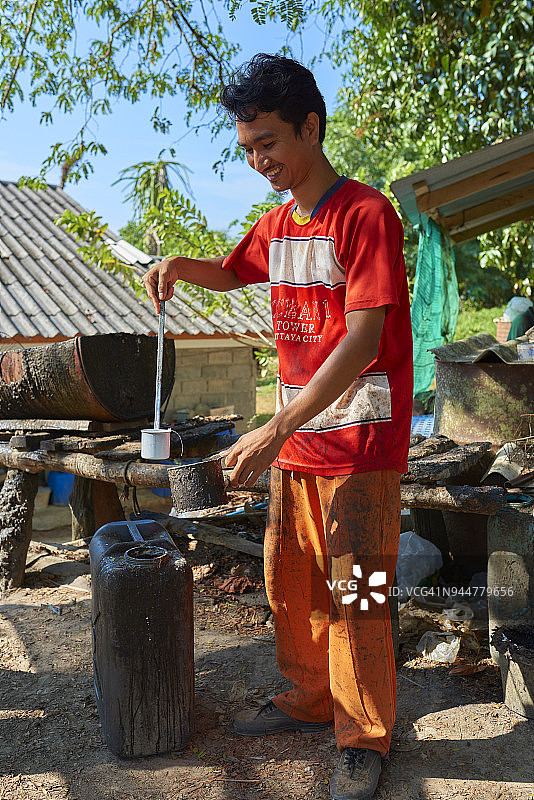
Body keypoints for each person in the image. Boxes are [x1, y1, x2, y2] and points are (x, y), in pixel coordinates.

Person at [143, 53, 413, 800]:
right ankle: (308, 697)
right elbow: (233, 272)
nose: (261, 160)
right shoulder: (276, 222)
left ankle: (364, 737)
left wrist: (273, 428)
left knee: (356, 589)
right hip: (300, 444)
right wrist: (177, 265)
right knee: (291, 584)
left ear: (311, 126)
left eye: (270, 142)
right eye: (248, 149)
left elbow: (362, 340)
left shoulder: (364, 215)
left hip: (360, 444)